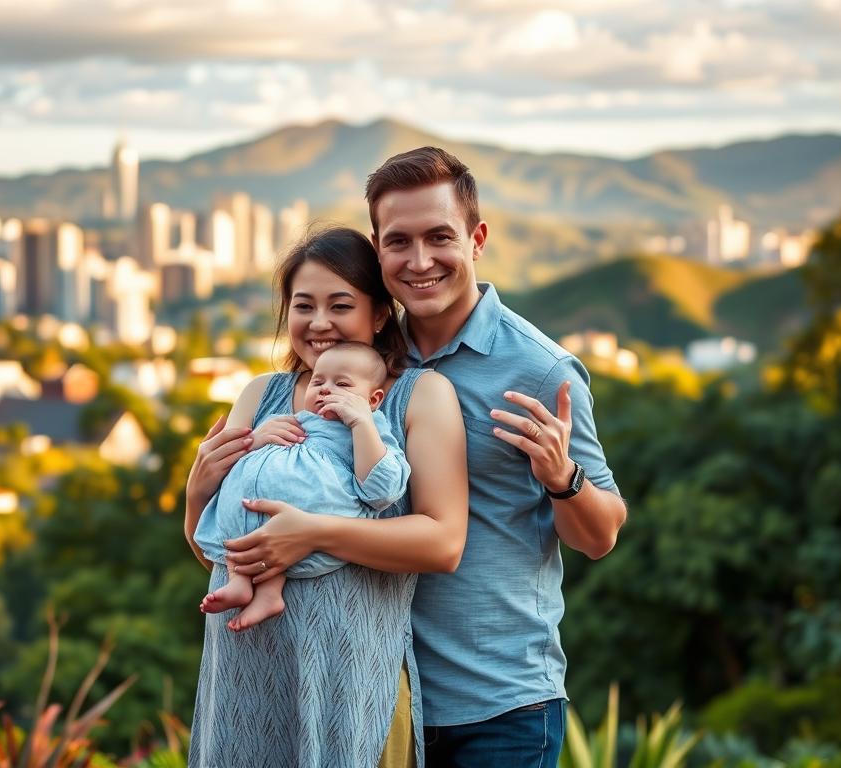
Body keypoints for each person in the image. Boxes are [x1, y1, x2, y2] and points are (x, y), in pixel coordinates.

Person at [223, 148, 628, 768]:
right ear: (378, 252)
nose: (419, 261)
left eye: (439, 237)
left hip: (498, 701)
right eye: (398, 242)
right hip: (380, 691)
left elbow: (600, 537)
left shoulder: (538, 370)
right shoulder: (366, 364)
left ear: (477, 238)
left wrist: (562, 479)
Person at [184, 226, 468, 768]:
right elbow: (214, 551)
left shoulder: (414, 396)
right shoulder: (259, 395)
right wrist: (196, 495)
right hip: (244, 667)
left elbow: (443, 543)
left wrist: (310, 534)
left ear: (380, 313)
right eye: (302, 305)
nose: (319, 323)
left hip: (349, 673)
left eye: (340, 305)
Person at [194, 342, 410, 632]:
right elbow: (236, 460)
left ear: (373, 399)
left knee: (281, 522)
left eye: (342, 384)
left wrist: (361, 425)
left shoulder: (369, 428)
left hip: (309, 519)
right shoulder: (291, 419)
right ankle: (240, 582)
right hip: (250, 515)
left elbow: (381, 488)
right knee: (240, 527)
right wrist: (257, 439)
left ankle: (269, 592)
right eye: (317, 381)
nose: (325, 389)